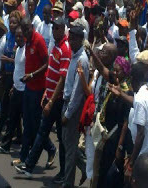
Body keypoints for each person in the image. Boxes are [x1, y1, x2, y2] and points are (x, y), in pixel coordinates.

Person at [15, 17, 71, 181]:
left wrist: (51, 100)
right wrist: (47, 93)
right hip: (48, 95)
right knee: (41, 131)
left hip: (58, 100)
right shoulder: (56, 46)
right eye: (53, 28)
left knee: (61, 138)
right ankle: (30, 165)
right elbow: (52, 73)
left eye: (57, 28)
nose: (54, 31)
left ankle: (65, 172)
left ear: (63, 29)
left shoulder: (65, 49)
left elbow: (61, 78)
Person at [16, 17, 49, 166]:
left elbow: (46, 63)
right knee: (27, 124)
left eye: (29, 28)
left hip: (38, 88)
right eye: (25, 29)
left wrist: (32, 75)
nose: (27, 31)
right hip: (28, 87)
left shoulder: (38, 40)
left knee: (35, 126)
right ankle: (23, 158)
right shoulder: (27, 41)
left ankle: (50, 148)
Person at [61, 25, 89, 188]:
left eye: (74, 38)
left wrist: (68, 114)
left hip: (73, 108)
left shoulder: (82, 59)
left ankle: (67, 184)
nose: (70, 40)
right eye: (70, 37)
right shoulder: (73, 55)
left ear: (80, 39)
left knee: (70, 149)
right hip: (66, 103)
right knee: (66, 143)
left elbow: (78, 92)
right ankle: (84, 166)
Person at [0, 26, 25, 153]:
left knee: (28, 121)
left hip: (25, 90)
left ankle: (46, 147)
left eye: (20, 36)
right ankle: (6, 146)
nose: (17, 39)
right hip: (16, 88)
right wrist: (13, 86)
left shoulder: (27, 51)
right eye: (16, 36)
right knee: (12, 117)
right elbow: (17, 69)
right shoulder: (18, 50)